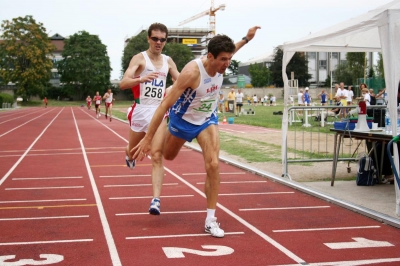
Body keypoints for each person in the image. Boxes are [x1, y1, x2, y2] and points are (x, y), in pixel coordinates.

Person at [132, 26, 261, 238]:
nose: (227, 64)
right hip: (181, 121)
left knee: (213, 164)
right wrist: (147, 138)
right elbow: (164, 104)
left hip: (207, 120)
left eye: (229, 59)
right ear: (210, 57)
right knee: (168, 156)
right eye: (223, 60)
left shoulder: (222, 62)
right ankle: (156, 142)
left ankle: (211, 219)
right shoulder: (191, 73)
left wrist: (246, 38)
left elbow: (232, 50)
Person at [119, 23, 180, 215]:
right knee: (133, 151)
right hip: (140, 111)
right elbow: (123, 83)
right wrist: (140, 79)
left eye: (162, 39)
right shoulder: (140, 58)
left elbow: (180, 81)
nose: (159, 42)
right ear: (149, 39)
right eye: (155, 38)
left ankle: (156, 200)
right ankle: (128, 154)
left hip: (159, 112)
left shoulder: (169, 61)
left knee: (156, 156)